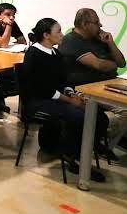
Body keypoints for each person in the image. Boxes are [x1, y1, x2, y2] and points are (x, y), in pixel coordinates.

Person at [22, 18, 108, 182]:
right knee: (81, 116)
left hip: (56, 98)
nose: (62, 35)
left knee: (98, 115)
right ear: (46, 35)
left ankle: (82, 151)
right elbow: (41, 88)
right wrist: (69, 101)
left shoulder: (55, 53)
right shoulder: (34, 54)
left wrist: (71, 93)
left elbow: (64, 80)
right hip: (39, 101)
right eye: (58, 31)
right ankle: (74, 157)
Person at [59, 8, 127, 160]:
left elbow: (121, 62)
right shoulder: (71, 40)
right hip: (85, 89)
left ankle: (106, 138)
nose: (100, 25)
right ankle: (100, 138)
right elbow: (98, 65)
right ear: (84, 24)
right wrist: (113, 64)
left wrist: (111, 43)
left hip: (108, 85)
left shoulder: (99, 40)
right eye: (96, 23)